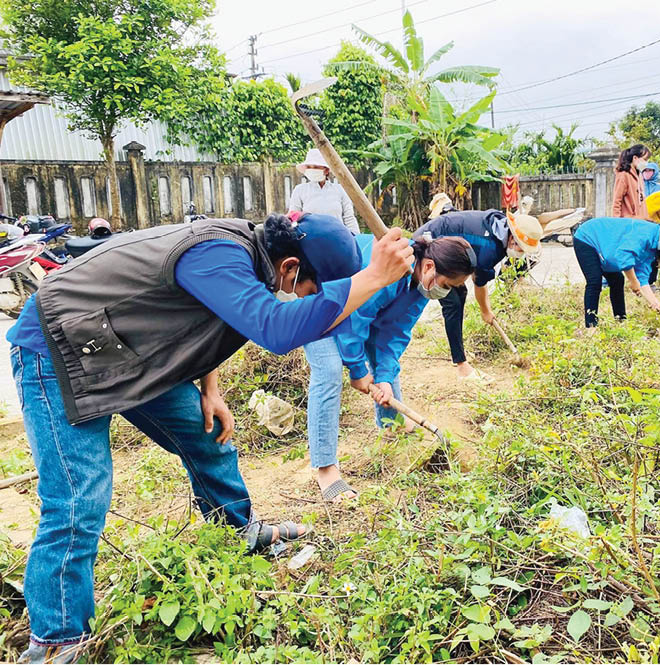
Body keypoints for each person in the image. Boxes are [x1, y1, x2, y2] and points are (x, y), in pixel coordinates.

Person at [7, 212, 412, 664]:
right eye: (313, 291)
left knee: (208, 437)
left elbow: (206, 318)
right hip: (60, 346)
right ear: (290, 268)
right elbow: (276, 328)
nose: (312, 300)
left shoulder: (250, 260)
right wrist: (375, 276)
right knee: (79, 497)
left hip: (127, 349)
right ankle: (57, 641)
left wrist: (210, 388)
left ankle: (240, 529)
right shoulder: (216, 252)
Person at [304, 233, 476, 501]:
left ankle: (391, 427)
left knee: (389, 371)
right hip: (320, 296)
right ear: (430, 266)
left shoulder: (421, 287)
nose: (446, 292)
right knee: (328, 371)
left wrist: (382, 378)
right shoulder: (392, 262)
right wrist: (358, 370)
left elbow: (394, 333)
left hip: (355, 309)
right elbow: (355, 314)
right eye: (447, 284)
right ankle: (326, 470)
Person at [412, 208, 543, 381]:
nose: (521, 253)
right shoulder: (490, 248)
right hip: (430, 244)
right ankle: (461, 367)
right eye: (520, 247)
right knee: (453, 303)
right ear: (512, 237)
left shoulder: (499, 226)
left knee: (460, 292)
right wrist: (485, 311)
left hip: (444, 244)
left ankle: (458, 355)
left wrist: (486, 310)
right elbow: (479, 282)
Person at [572, 216, 660, 327]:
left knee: (617, 280)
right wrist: (633, 281)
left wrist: (654, 302)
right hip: (588, 237)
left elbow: (642, 277)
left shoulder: (651, 248)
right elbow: (624, 255)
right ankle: (591, 326)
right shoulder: (645, 233)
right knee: (595, 282)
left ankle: (621, 321)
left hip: (606, 250)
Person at [288, 148, 360, 235]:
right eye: (309, 167)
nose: (312, 169)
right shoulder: (300, 190)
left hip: (337, 237)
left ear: (326, 170)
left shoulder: (340, 190)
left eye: (316, 167)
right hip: (310, 239)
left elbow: (349, 218)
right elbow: (293, 218)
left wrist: (356, 238)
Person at [611, 144, 651, 219]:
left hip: (640, 222)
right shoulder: (624, 176)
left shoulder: (639, 176)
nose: (646, 163)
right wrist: (616, 223)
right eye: (644, 159)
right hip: (628, 223)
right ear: (635, 158)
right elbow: (617, 201)